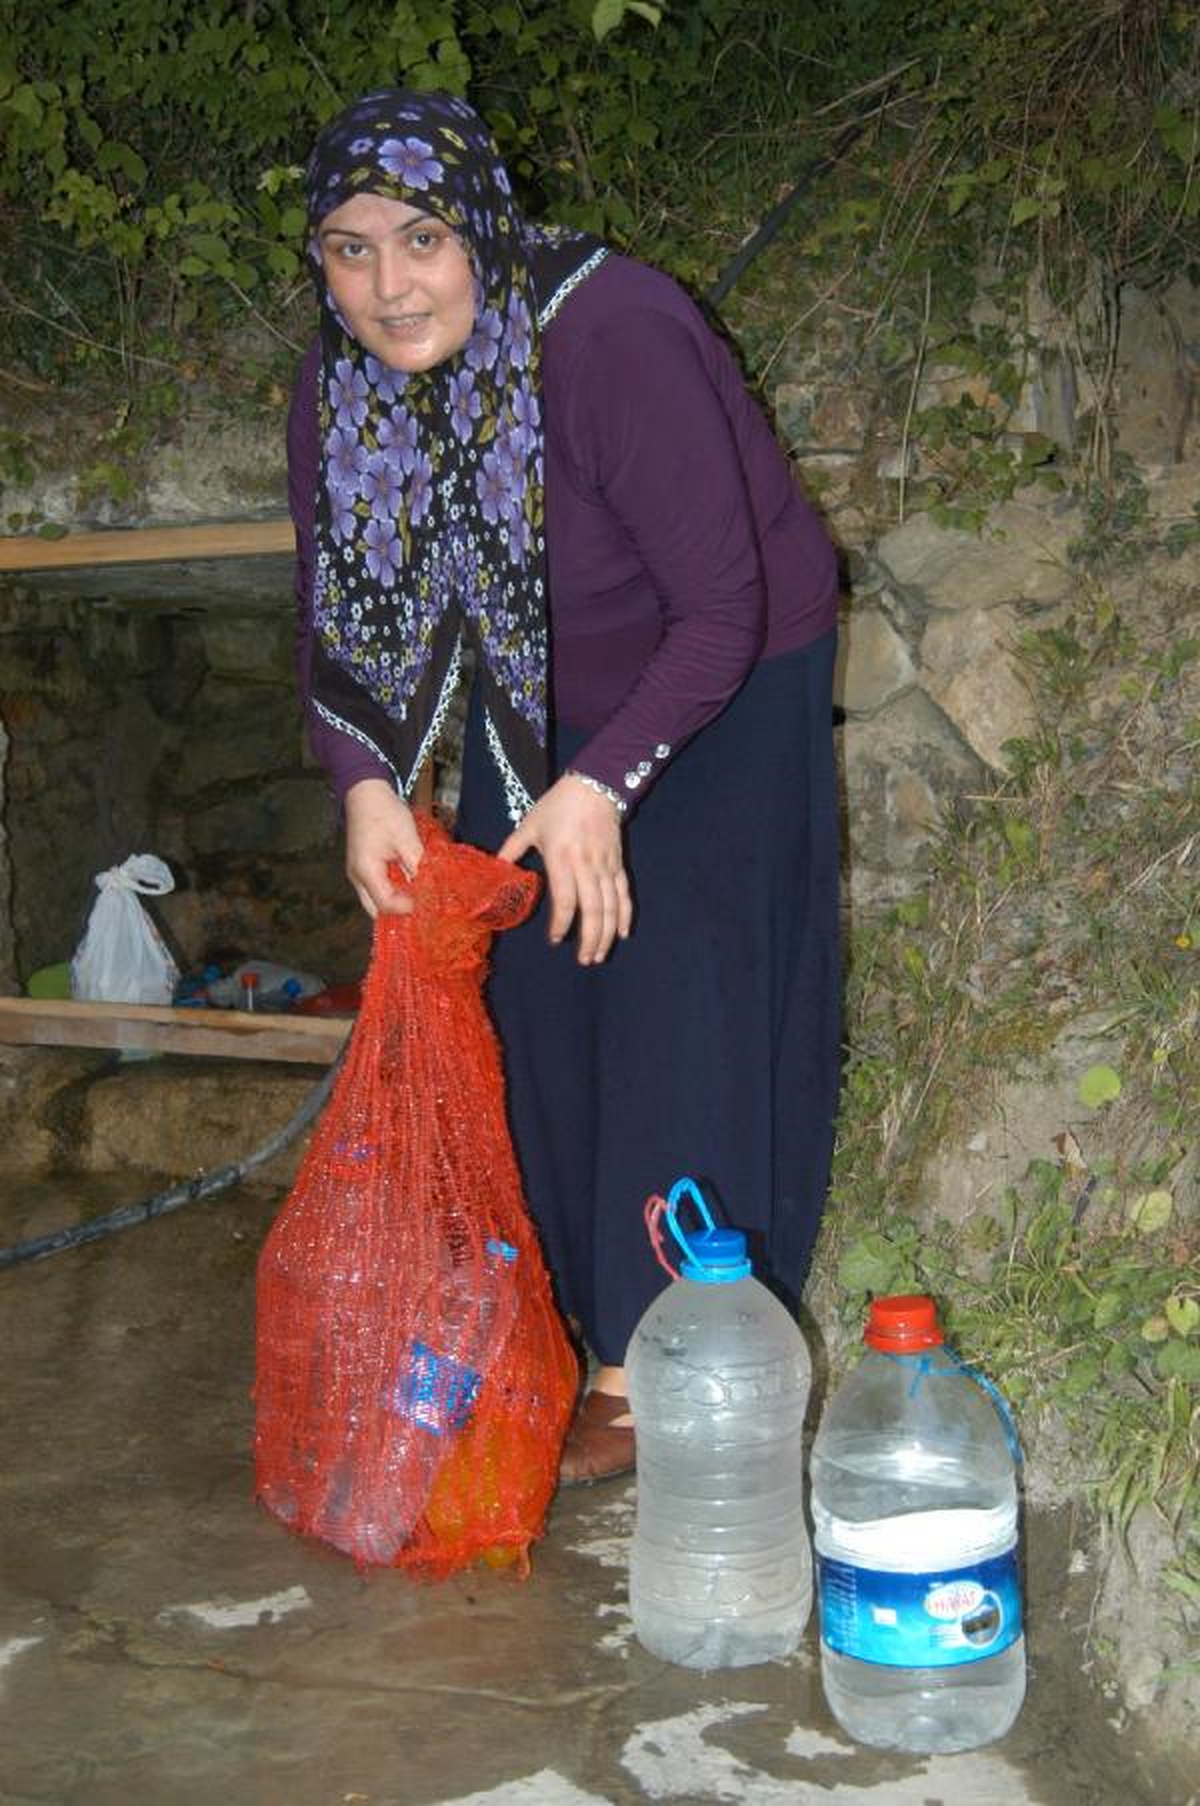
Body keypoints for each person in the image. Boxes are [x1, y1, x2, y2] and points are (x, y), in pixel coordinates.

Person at [288, 87, 841, 1484]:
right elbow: (339, 625)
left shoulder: (611, 336)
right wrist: (364, 783)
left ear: (480, 221)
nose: (388, 285)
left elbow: (722, 603)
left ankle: (654, 1354)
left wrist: (608, 785)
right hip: (539, 671)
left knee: (676, 976)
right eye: (349, 250)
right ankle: (553, 1307)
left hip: (729, 654)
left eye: (419, 238)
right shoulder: (341, 387)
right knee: (531, 975)